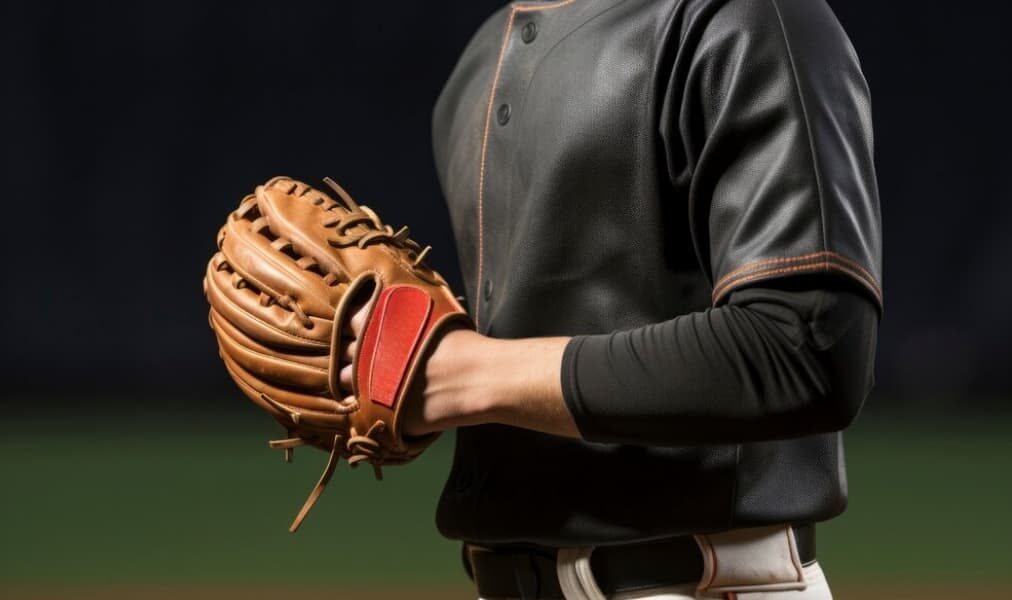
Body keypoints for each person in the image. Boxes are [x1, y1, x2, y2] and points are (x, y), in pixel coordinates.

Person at [340, 0, 881, 598]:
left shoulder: (740, 16)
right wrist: (394, 380)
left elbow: (805, 344)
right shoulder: (472, 72)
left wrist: (461, 374)